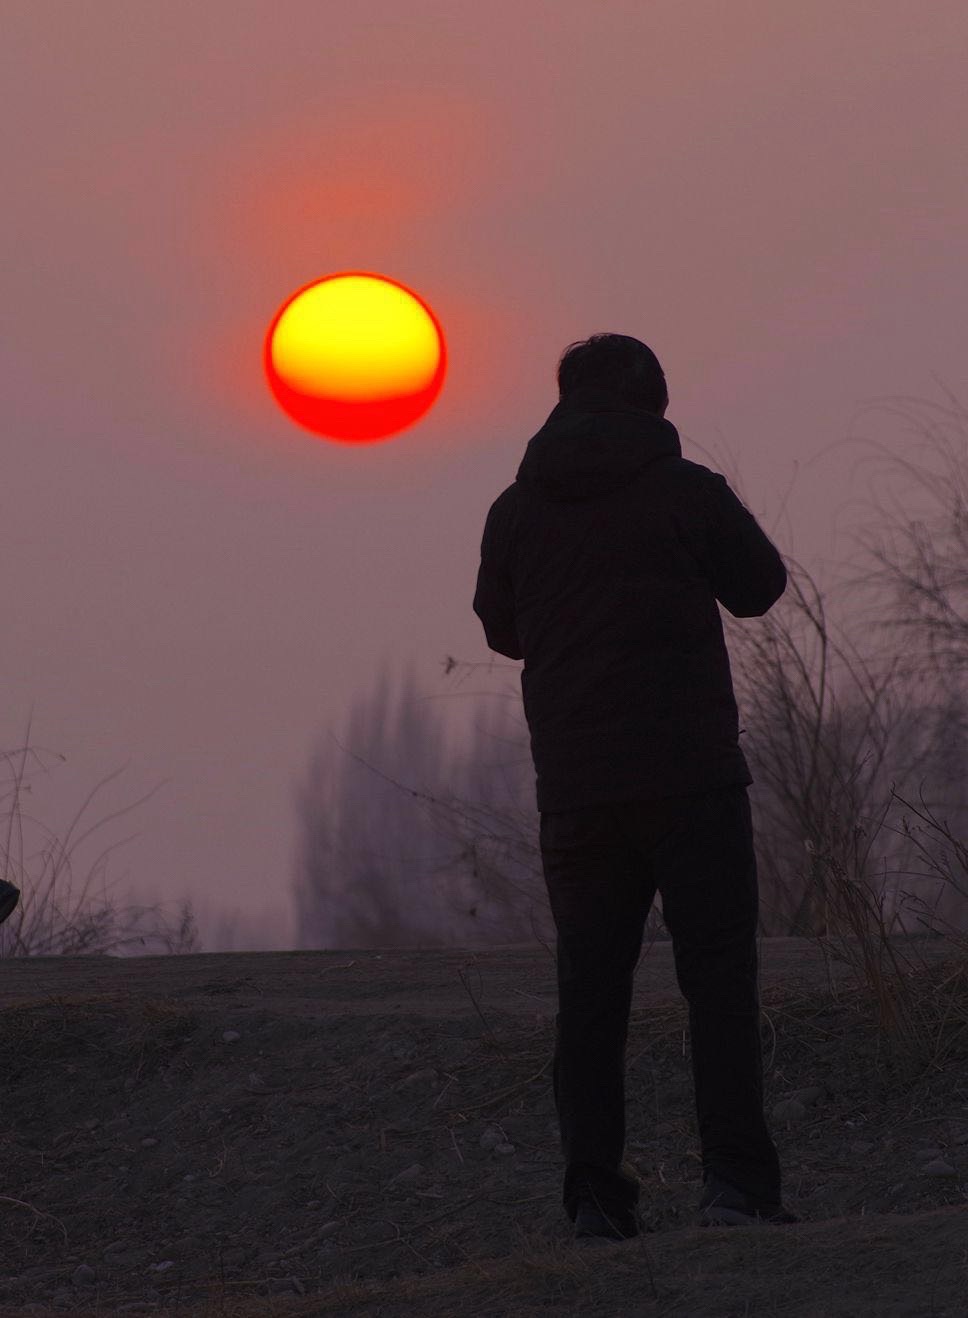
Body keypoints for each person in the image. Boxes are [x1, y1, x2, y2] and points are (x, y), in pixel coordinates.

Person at [472, 333, 799, 1244]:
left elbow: (501, 630)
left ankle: (593, 1198)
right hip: (691, 778)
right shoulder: (688, 491)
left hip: (575, 792)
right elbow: (763, 587)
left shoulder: (513, 511)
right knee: (719, 983)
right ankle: (737, 1189)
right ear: (653, 403)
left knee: (590, 992)